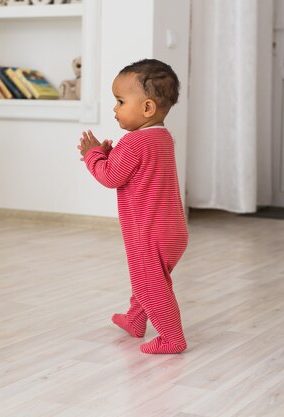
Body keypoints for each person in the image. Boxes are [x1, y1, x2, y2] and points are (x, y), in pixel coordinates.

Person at [77, 59, 188, 354]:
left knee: (153, 286)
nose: (115, 108)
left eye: (120, 101)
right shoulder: (162, 138)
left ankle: (172, 337)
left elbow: (111, 176)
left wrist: (93, 156)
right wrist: (109, 154)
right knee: (149, 278)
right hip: (172, 231)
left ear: (147, 108)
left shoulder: (133, 142)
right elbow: (137, 171)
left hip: (148, 232)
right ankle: (135, 320)